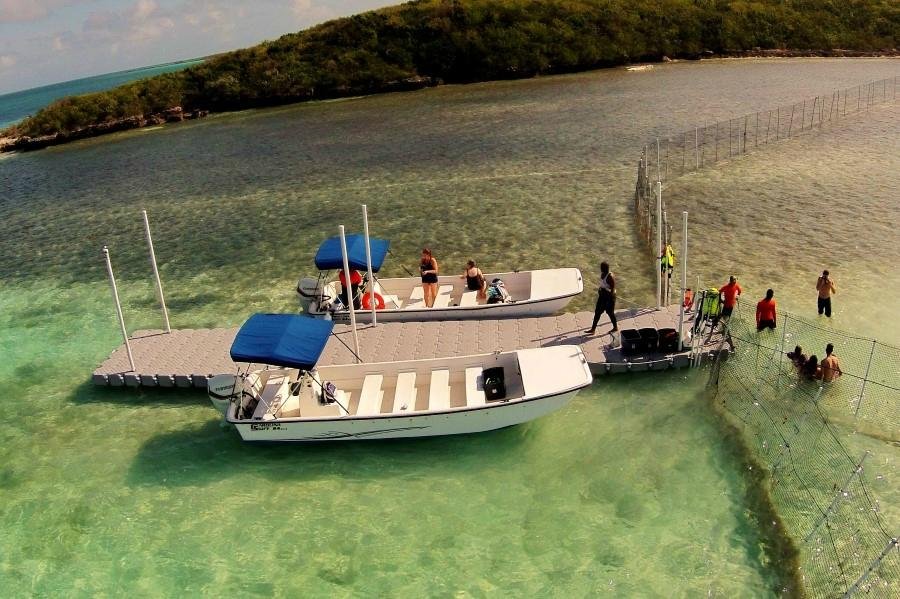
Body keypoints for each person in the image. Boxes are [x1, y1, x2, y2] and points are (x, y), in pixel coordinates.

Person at [586, 262, 618, 335]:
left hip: (609, 297)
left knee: (610, 313)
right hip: (602, 296)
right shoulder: (603, 274)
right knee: (597, 312)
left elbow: (613, 289)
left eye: (601, 267)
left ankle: (615, 327)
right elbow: (603, 285)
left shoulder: (610, 277)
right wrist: (600, 290)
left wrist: (609, 300)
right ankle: (593, 329)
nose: (600, 269)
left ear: (604, 268)